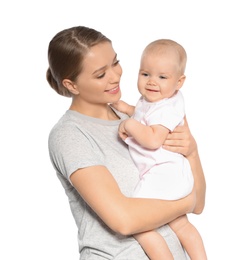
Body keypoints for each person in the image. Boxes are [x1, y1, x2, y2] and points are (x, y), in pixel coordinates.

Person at [46, 26, 206, 259]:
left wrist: (192, 153)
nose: (115, 76)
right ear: (71, 85)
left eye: (115, 62)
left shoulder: (139, 119)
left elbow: (199, 204)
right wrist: (187, 202)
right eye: (100, 74)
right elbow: (124, 220)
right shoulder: (70, 134)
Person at [112, 39, 207, 259]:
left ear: (179, 81)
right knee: (181, 225)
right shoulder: (160, 100)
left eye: (162, 77)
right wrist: (124, 108)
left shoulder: (167, 109)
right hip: (171, 174)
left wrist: (128, 124)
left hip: (163, 174)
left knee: (139, 224)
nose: (152, 82)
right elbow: (142, 112)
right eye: (145, 74)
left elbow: (153, 139)